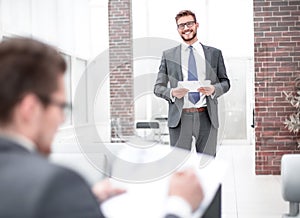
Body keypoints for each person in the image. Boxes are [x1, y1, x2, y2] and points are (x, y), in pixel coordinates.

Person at [0, 37, 203, 218]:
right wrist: (179, 206)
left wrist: (77, 204)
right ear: (30, 109)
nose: (62, 118)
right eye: (61, 106)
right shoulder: (55, 185)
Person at [154, 10, 230, 156]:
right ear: (178, 29)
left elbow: (225, 82)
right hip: (180, 119)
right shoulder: (168, 55)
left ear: (196, 25)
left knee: (207, 165)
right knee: (179, 167)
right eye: (181, 25)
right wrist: (171, 92)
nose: (186, 28)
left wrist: (214, 89)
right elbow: (158, 87)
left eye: (189, 23)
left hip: (206, 117)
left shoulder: (214, 54)